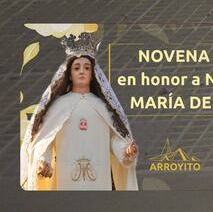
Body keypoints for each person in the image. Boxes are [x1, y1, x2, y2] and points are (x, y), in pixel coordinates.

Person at [21, 46, 138, 191]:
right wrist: (43, 160)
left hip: (99, 181)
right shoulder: (58, 106)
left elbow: (113, 138)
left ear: (93, 74)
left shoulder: (102, 106)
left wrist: (125, 151)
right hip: (67, 181)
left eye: (87, 68)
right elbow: (46, 140)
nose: (82, 71)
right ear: (69, 74)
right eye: (77, 68)